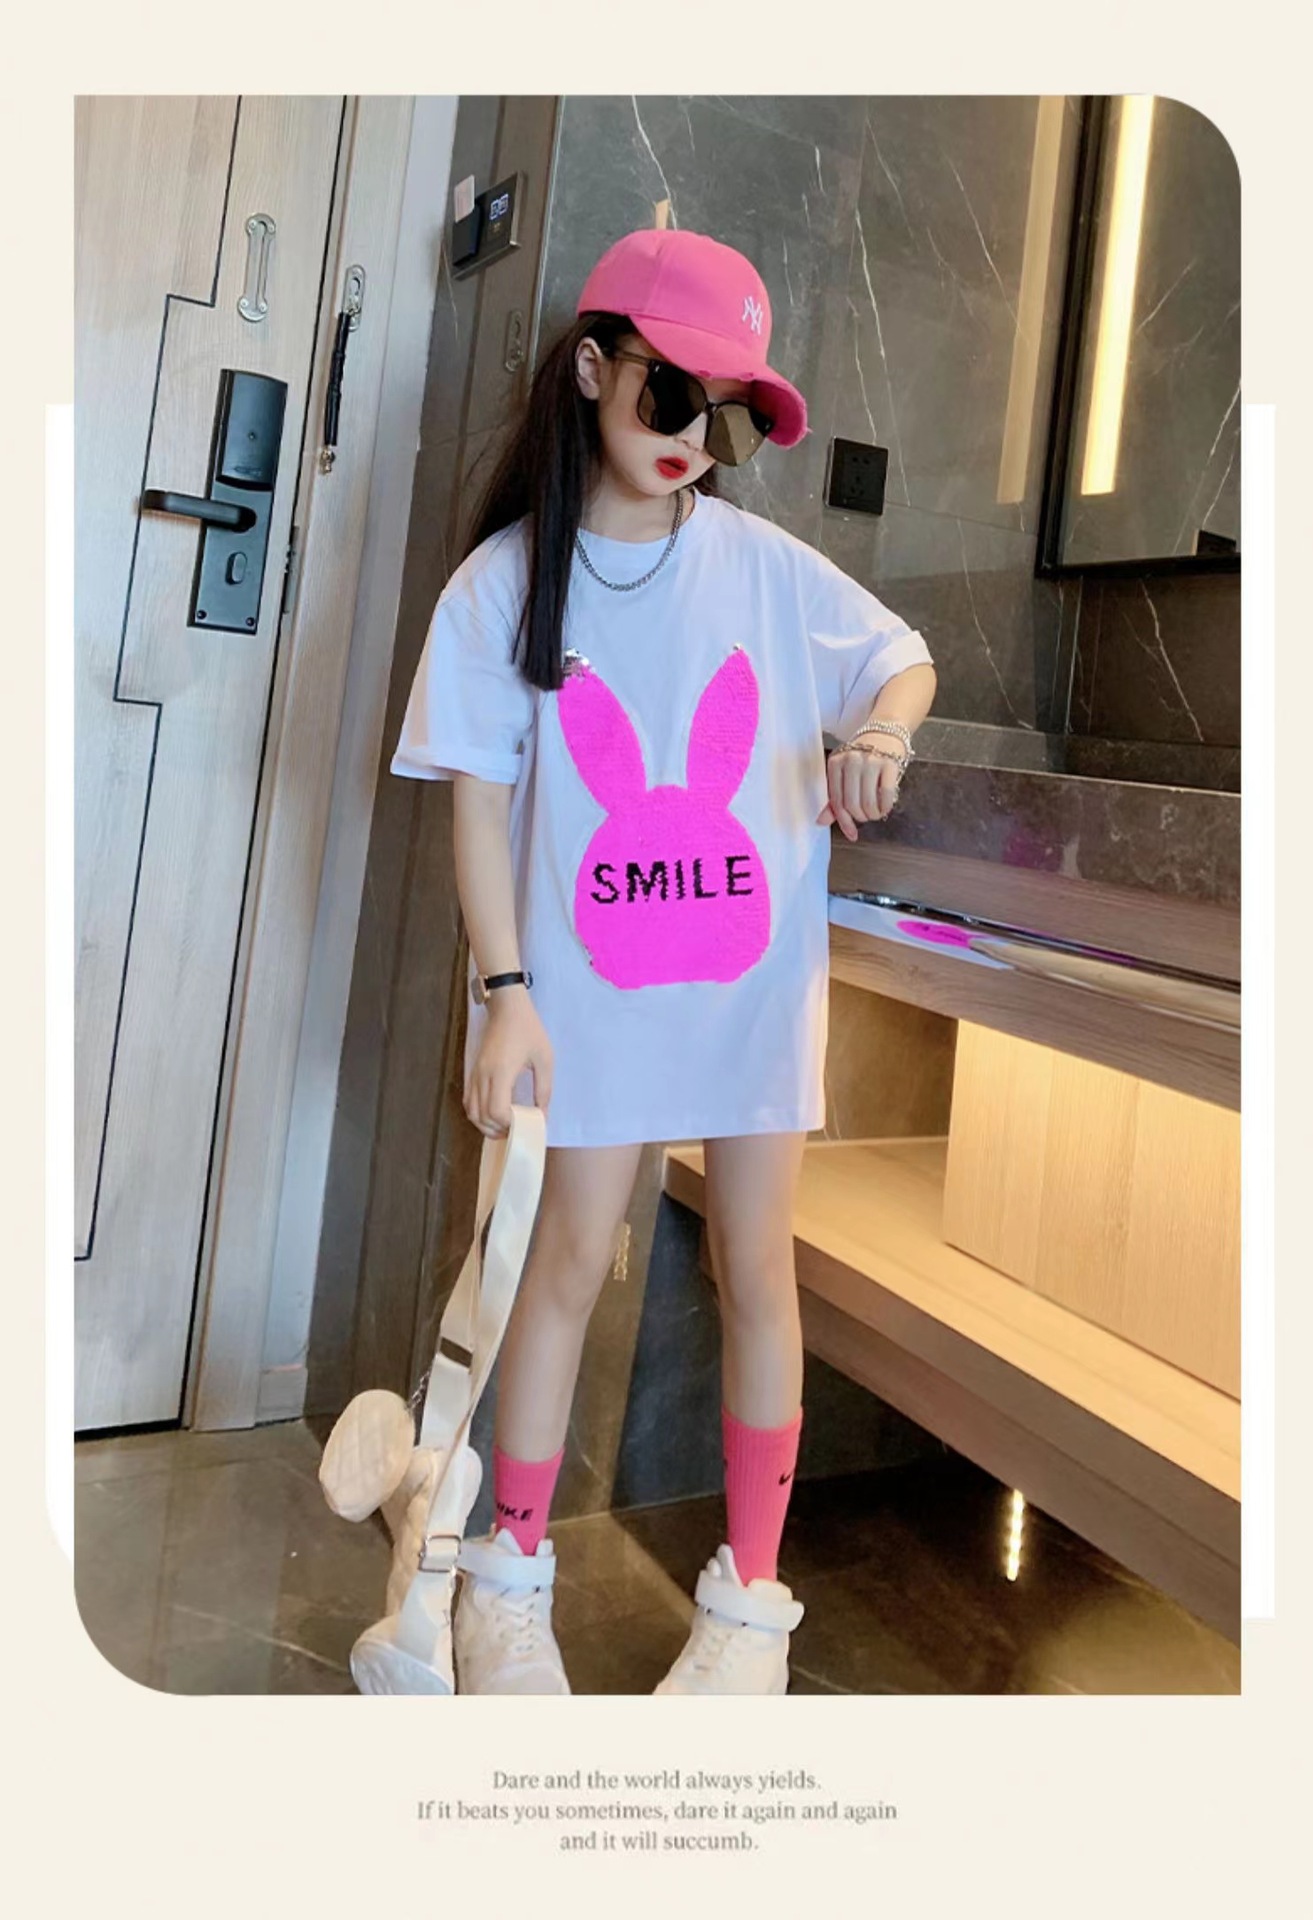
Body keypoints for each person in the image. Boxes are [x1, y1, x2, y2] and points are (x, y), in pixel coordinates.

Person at [391, 225, 937, 1695]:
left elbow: (901, 654)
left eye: (730, 415)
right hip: (587, 996)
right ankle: (509, 1585)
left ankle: (750, 1612)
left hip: (750, 987)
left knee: (759, 1266)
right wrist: (505, 997)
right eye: (672, 393)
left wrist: (882, 734)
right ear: (592, 368)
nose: (697, 435)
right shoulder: (504, 587)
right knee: (565, 1260)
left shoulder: (764, 569)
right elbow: (479, 807)